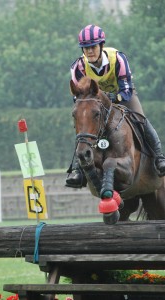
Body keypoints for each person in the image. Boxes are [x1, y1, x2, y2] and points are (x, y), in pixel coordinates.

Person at [66, 24, 165, 188]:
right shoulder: (78, 67)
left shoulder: (118, 58)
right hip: (95, 102)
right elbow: (78, 96)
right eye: (85, 48)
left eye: (93, 47)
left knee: (141, 119)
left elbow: (126, 89)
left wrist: (111, 97)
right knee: (83, 127)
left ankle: (159, 158)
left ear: (101, 45)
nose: (89, 51)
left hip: (122, 95)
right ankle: (78, 170)